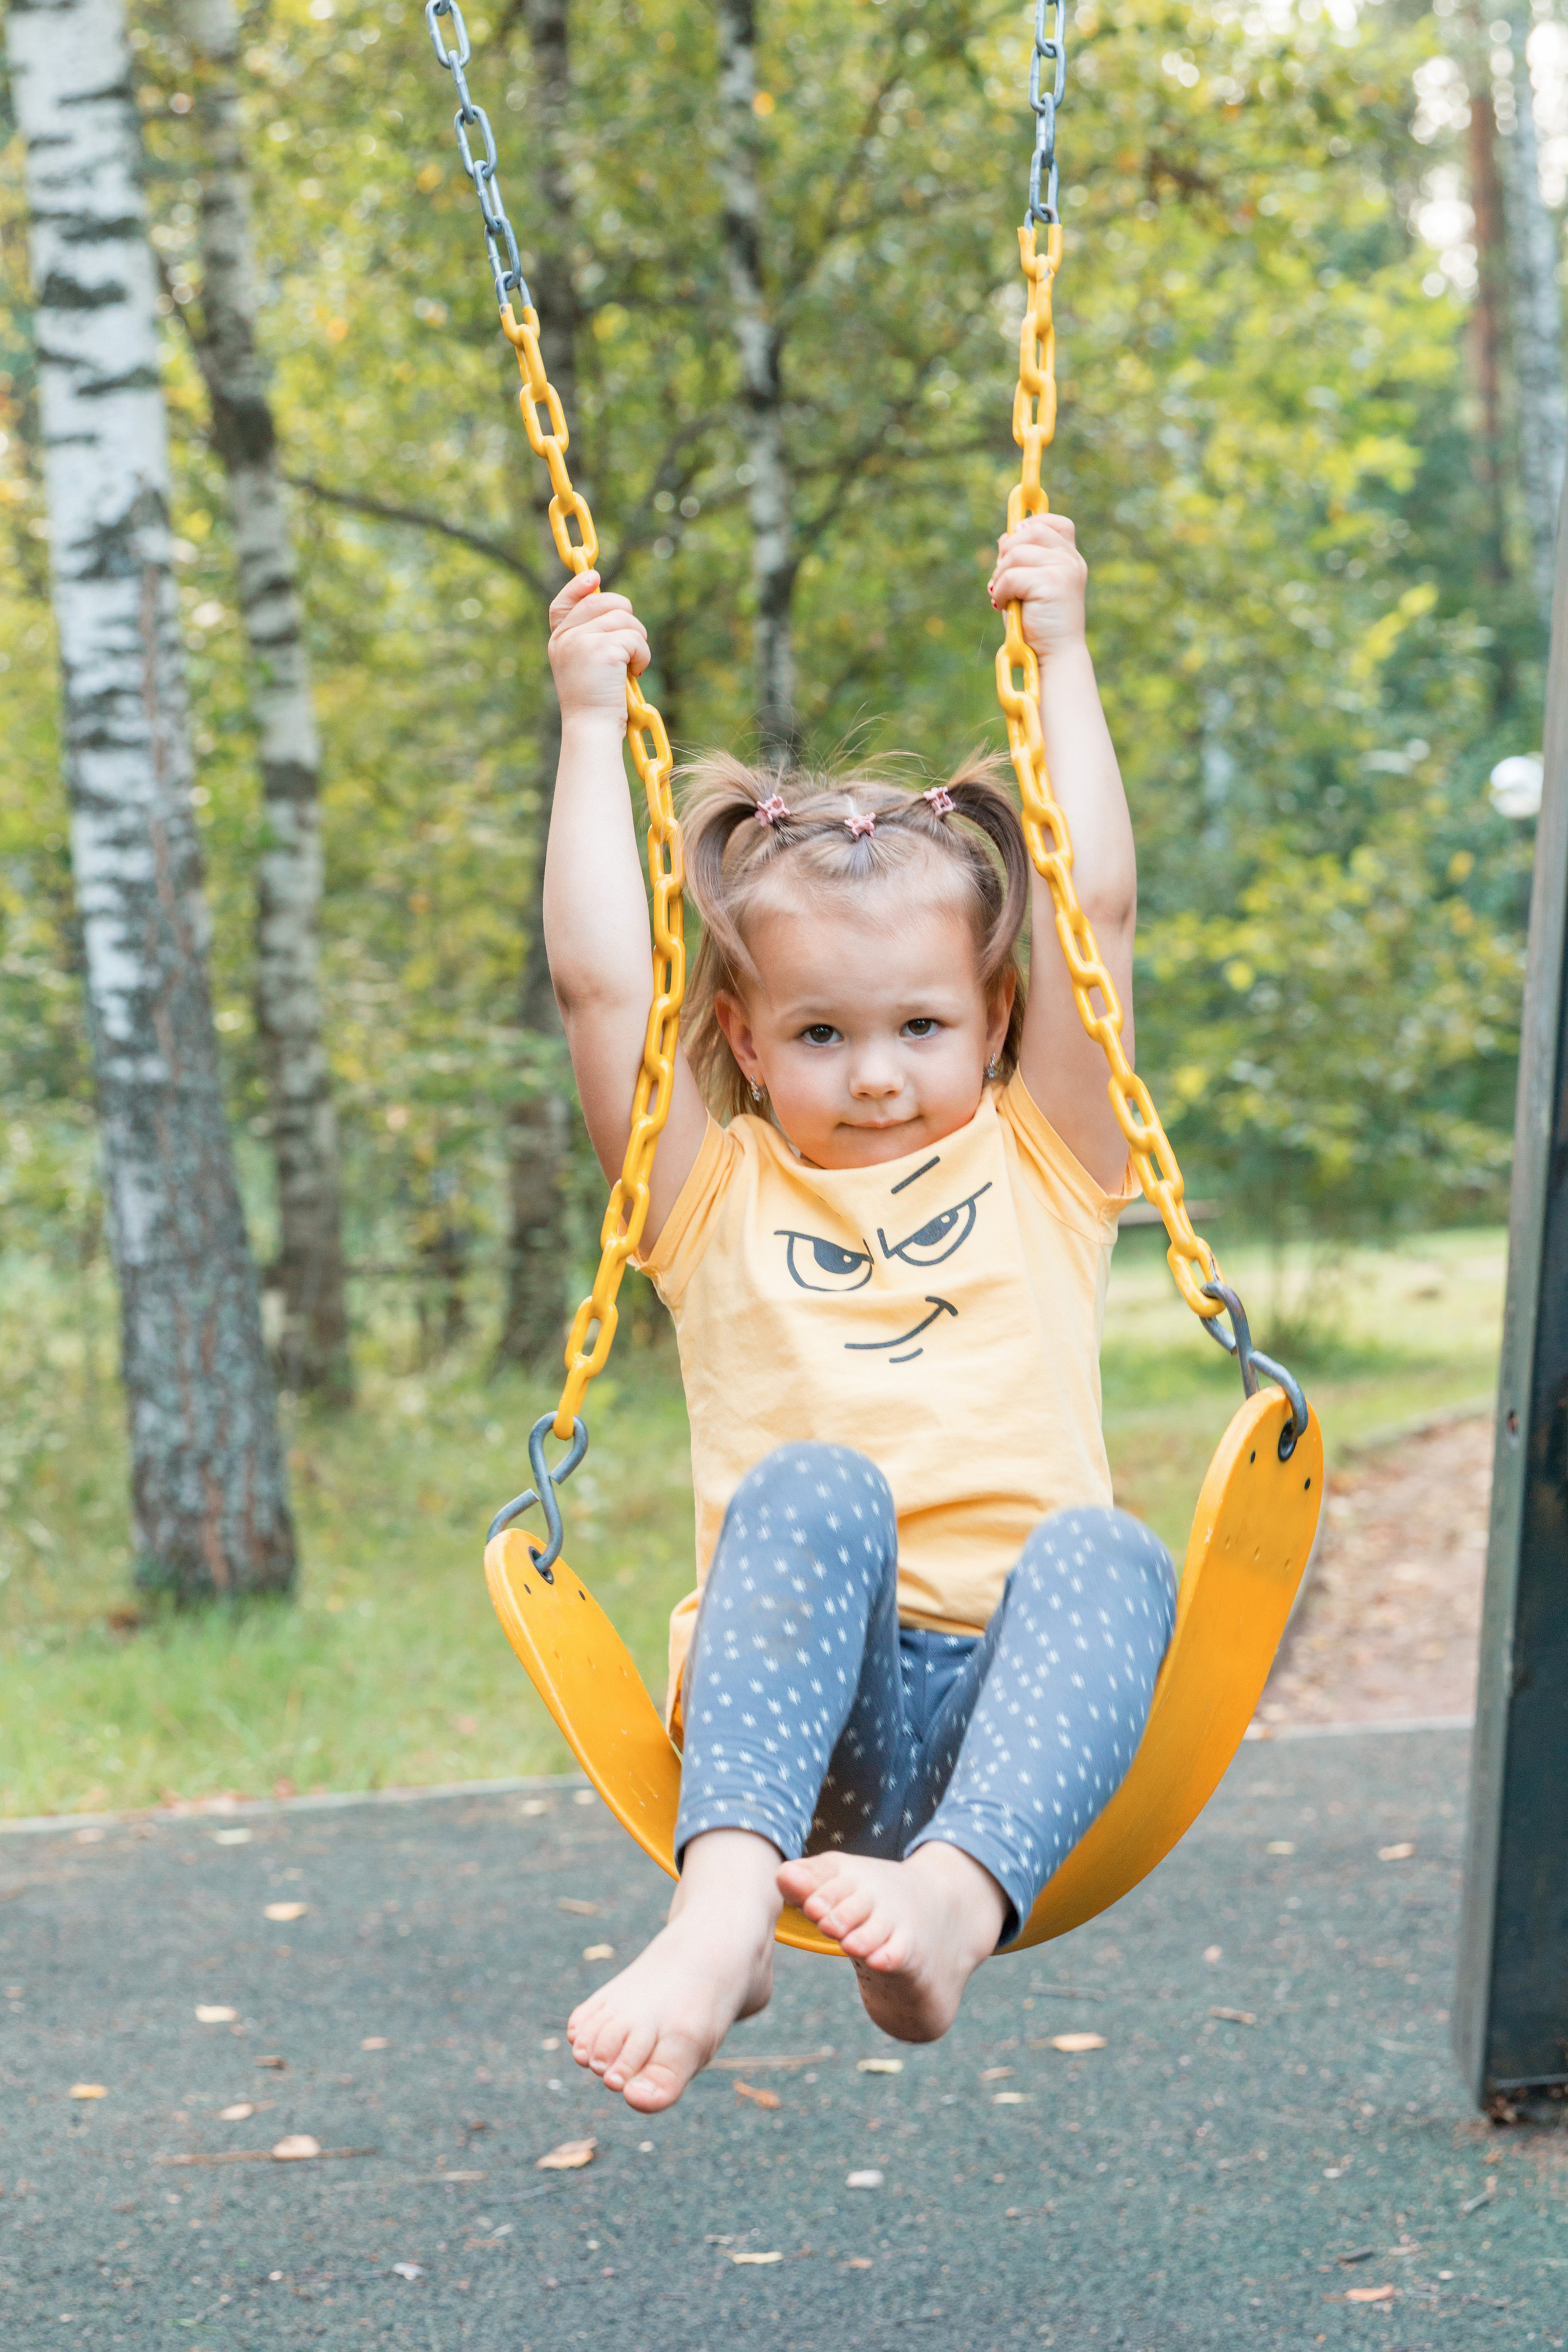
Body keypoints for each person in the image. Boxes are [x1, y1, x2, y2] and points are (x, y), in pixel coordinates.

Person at [543, 513, 1175, 2114]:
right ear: (749, 1046)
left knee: (1109, 1550)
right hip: (789, 1727)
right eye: (821, 1033)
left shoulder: (1044, 1159)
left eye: (919, 1024)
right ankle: (724, 1907)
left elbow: (1091, 914)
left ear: (997, 1018)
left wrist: (1066, 658)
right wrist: (583, 730)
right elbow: (604, 994)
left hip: (1011, 1742)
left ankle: (951, 1911)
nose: (878, 1072)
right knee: (816, 1488)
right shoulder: (710, 1199)